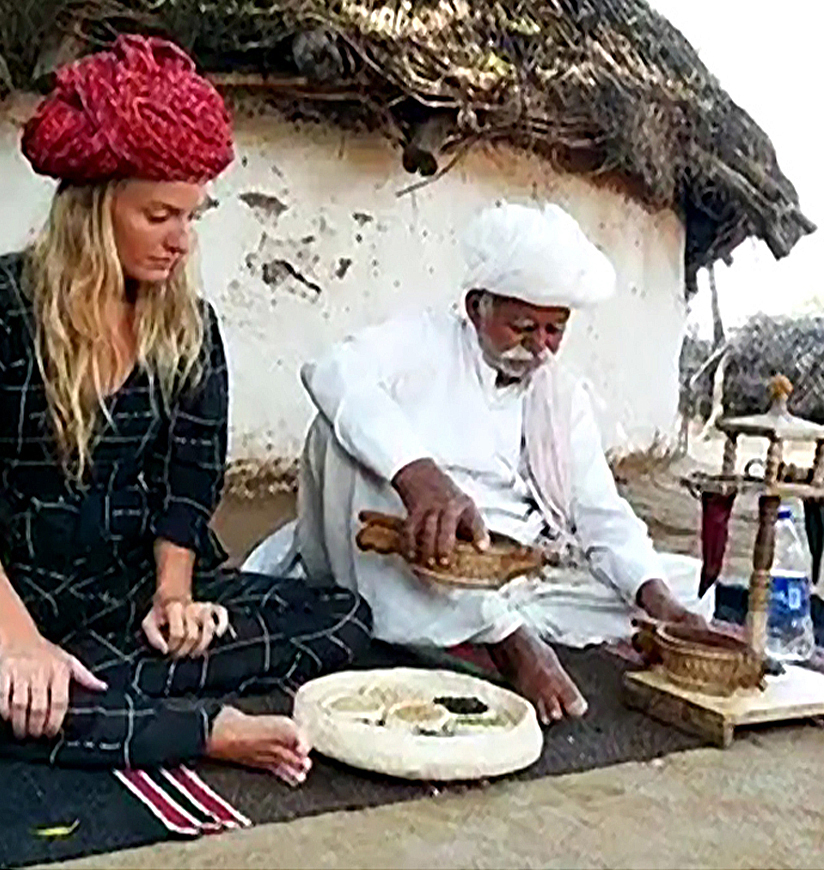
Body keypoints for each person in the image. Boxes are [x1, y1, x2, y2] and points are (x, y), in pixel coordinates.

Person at [0, 35, 371, 781]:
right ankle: (198, 727)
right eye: (159, 214)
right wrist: (17, 638)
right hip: (17, 585)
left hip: (127, 588)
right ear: (93, 211)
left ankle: (87, 698)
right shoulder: (8, 310)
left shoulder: (190, 329)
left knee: (344, 617)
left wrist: (175, 600)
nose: (181, 240)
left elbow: (189, 486)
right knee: (18, 679)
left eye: (192, 215)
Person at [245, 202, 711, 724]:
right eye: (523, 327)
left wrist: (658, 600)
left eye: (554, 330)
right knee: (340, 441)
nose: (539, 348)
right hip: (414, 549)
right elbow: (331, 372)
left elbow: (598, 510)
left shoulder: (560, 394)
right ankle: (505, 640)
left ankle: (486, 621)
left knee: (687, 588)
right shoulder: (423, 342)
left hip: (514, 568)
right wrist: (419, 477)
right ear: (475, 307)